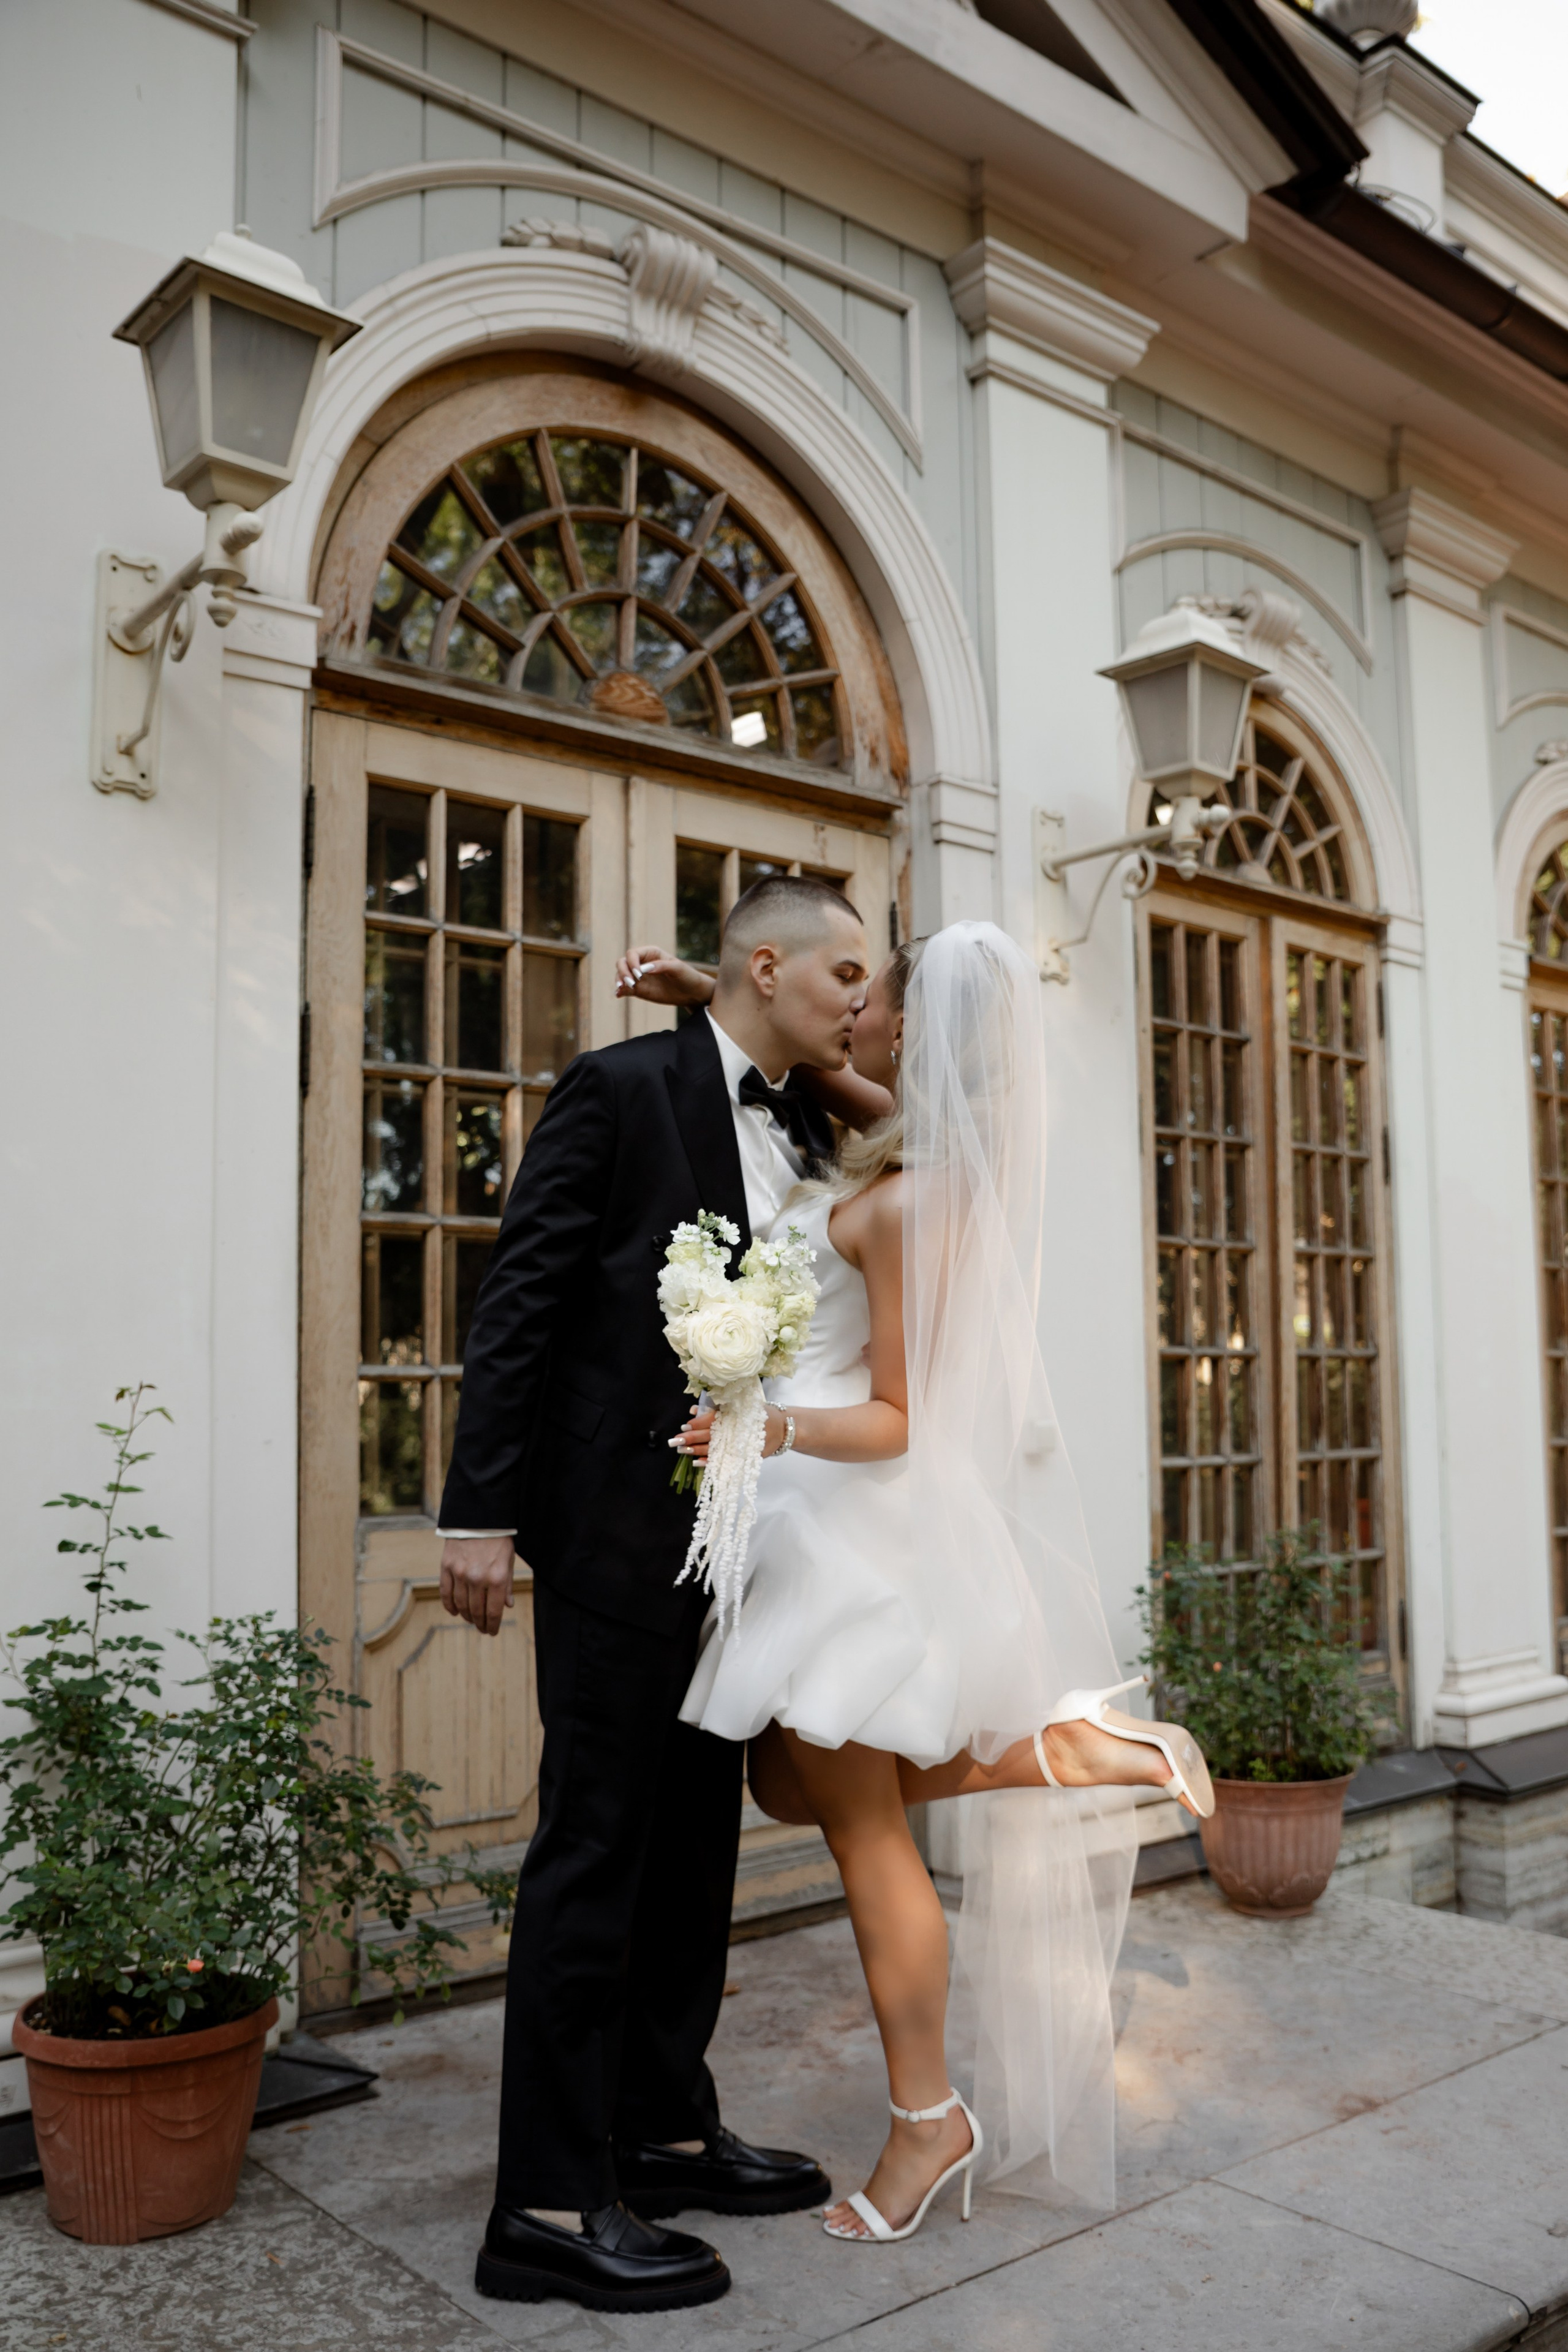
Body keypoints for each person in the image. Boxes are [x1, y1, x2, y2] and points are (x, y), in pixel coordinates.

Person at [622, 921, 1213, 2243]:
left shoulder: (903, 1202)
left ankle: (924, 2120)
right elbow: (844, 1084)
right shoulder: (915, 1156)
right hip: (826, 1527)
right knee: (791, 1783)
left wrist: (767, 1424)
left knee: (860, 1833)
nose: (854, 1013)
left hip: (847, 1528)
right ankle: (1068, 1749)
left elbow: (900, 1416)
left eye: (871, 996)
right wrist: (705, 993)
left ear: (911, 1030)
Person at [437, 874, 874, 2312]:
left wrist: (730, 1006)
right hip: (615, 1534)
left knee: (693, 1849)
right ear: (771, 961)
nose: (863, 1002)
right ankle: (546, 2205)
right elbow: (522, 1300)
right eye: (846, 976)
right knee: (595, 1853)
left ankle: (664, 2133)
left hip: (740, 1542)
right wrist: (482, 1512)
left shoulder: (805, 1119)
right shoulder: (618, 1090)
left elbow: (918, 1130)